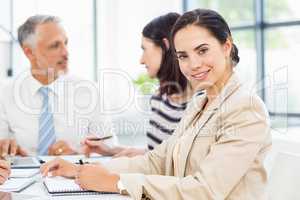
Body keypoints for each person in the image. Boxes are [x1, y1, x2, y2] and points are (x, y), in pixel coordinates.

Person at [41, 9, 272, 200]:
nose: (193, 65)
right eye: (183, 56)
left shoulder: (245, 107)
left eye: (202, 50)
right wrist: (80, 170)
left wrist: (117, 182)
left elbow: (205, 191)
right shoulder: (200, 102)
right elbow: (158, 160)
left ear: (226, 46)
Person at [81, 12, 198, 158]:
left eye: (144, 49)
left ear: (165, 45)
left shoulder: (199, 103)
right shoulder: (160, 98)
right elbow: (155, 156)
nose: (141, 60)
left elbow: (172, 164)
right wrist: (109, 150)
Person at [0, 15, 115, 156]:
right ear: (29, 52)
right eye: (55, 46)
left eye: (65, 43)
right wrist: (7, 151)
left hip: (75, 175)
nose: (66, 52)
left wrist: (78, 154)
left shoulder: (90, 91)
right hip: (21, 176)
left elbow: (110, 149)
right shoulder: (5, 93)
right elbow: (2, 146)